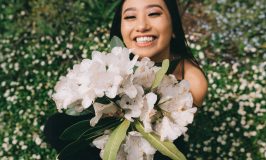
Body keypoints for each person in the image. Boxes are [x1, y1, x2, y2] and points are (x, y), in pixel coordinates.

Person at [44, 0, 208, 159]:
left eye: (153, 13)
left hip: (156, 136)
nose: (142, 26)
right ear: (121, 29)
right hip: (113, 121)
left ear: (174, 26)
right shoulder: (122, 58)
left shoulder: (191, 79)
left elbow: (173, 122)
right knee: (55, 127)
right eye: (130, 17)